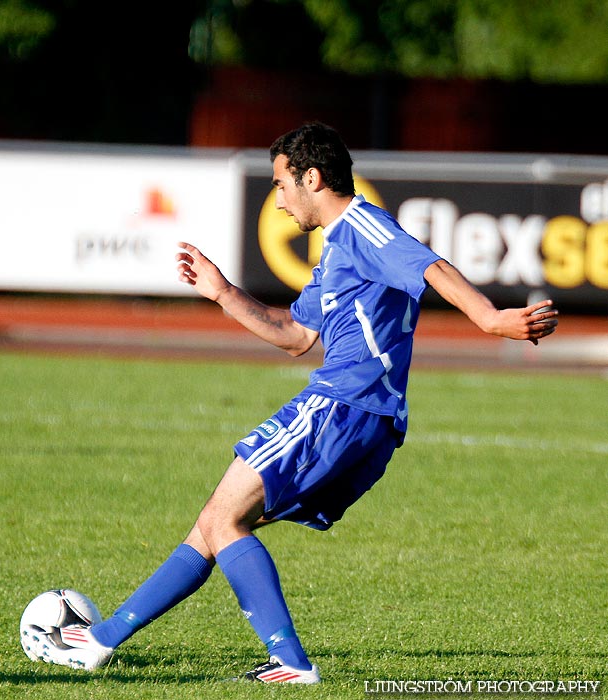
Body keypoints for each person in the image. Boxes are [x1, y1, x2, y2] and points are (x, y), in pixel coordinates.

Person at [37, 122, 558, 683]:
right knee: (215, 525)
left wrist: (489, 318)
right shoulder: (337, 249)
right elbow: (294, 336)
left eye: (283, 184)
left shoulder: (362, 225)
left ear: (312, 177)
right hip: (362, 418)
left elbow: (427, 265)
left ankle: (286, 661)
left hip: (343, 405)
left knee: (221, 520)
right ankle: (103, 639)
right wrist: (222, 292)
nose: (279, 198)